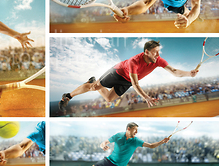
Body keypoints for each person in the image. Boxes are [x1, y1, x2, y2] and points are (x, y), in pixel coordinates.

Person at [58, 40, 198, 112]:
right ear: (146, 52)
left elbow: (173, 71)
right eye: (155, 52)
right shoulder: (134, 62)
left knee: (108, 98)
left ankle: (94, 81)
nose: (158, 55)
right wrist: (146, 97)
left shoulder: (158, 60)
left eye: (158, 52)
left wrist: (189, 73)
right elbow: (136, 84)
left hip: (126, 81)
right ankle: (68, 96)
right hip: (117, 73)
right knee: (94, 87)